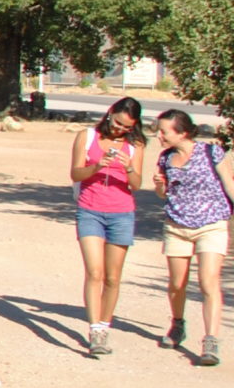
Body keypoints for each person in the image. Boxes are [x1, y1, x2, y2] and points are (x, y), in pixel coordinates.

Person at [152, 109, 232, 367]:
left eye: (164, 131)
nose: (159, 136)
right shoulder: (165, 158)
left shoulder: (211, 153)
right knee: (177, 283)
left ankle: (210, 340)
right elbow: (164, 195)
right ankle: (178, 324)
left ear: (182, 132)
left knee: (208, 281)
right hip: (177, 226)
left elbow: (228, 182)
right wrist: (159, 186)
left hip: (212, 224)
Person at [71, 97, 147, 357]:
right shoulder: (87, 136)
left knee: (113, 277)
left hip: (121, 213)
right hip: (90, 210)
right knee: (95, 272)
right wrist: (96, 166)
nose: (118, 130)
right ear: (110, 113)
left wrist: (128, 169)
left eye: (126, 127)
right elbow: (75, 174)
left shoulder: (135, 145)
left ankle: (104, 326)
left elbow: (137, 184)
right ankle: (94, 331)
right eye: (117, 123)